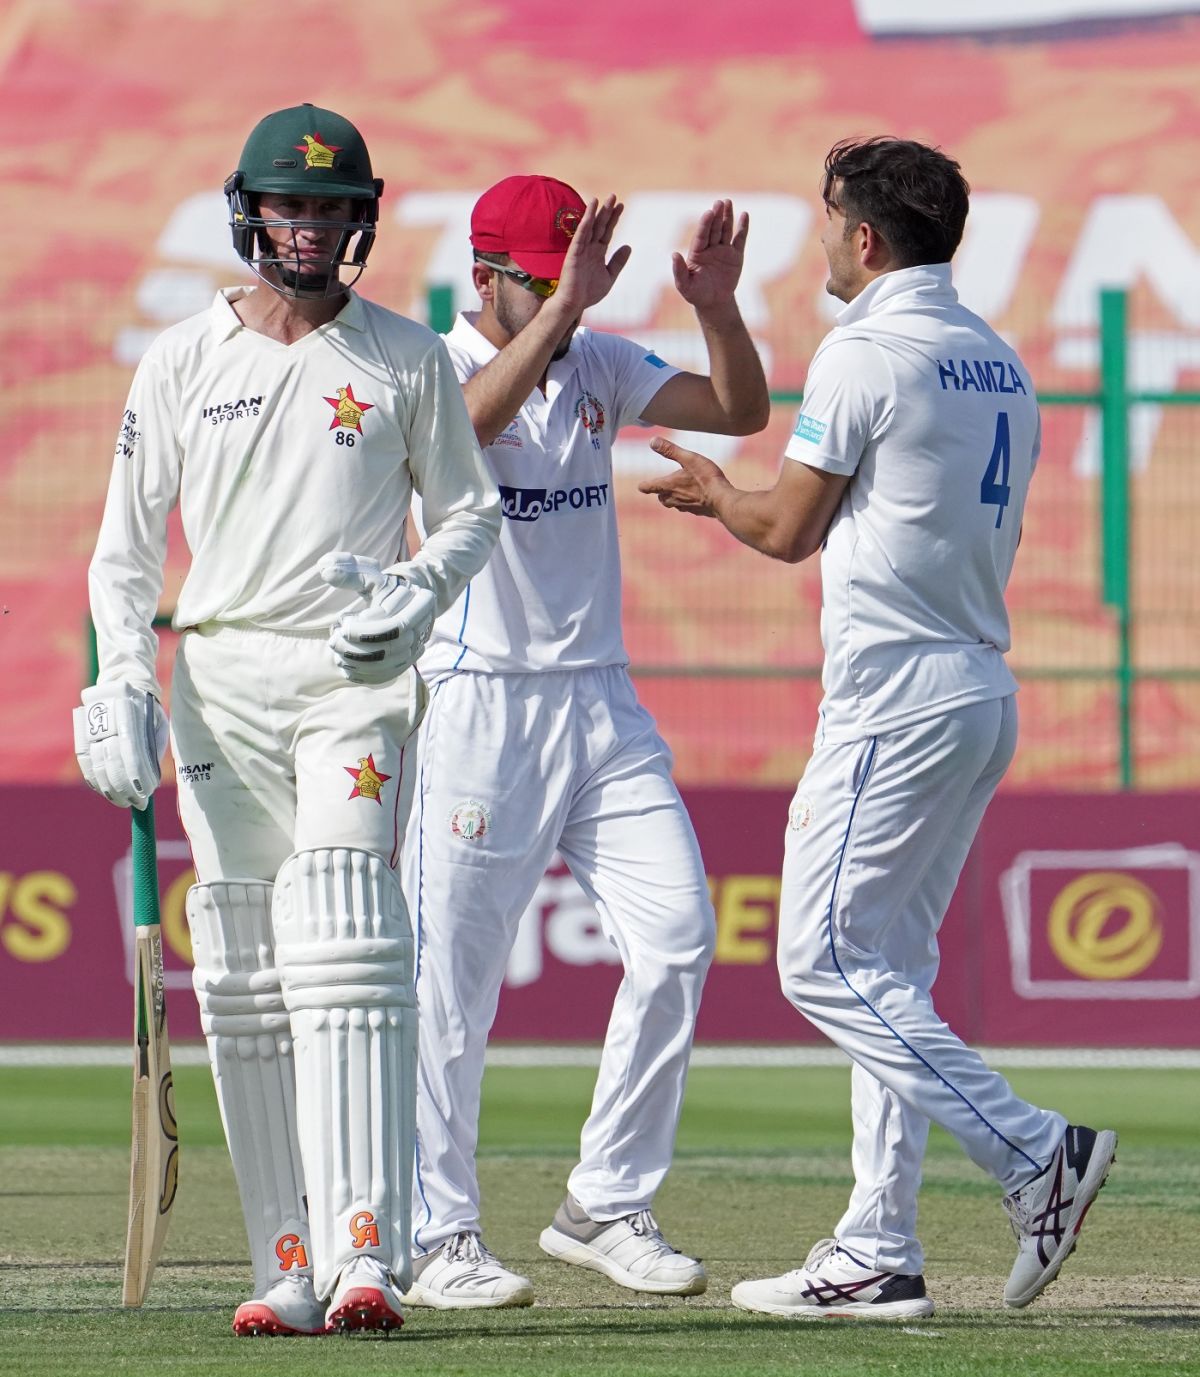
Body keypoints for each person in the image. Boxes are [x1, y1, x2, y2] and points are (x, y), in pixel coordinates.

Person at [640, 136, 1116, 1319]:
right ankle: (874, 1250)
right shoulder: (996, 359)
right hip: (975, 688)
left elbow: (791, 528)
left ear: (864, 239)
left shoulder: (865, 352)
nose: (818, 248)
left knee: (822, 961)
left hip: (894, 699)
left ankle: (1031, 1152)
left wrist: (712, 495)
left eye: (826, 226)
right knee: (888, 968)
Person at [74, 103, 500, 1336]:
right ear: (249, 211)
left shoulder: (407, 358)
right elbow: (122, 553)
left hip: (351, 673)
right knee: (252, 974)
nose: (307, 228)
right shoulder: (181, 358)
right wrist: (119, 681)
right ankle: (290, 1261)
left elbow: (466, 518)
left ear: (359, 219)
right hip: (220, 683)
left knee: (350, 938)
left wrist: (418, 593)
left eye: (328, 208)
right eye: (288, 205)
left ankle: (371, 1248)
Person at [401, 175, 770, 1308]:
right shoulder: (433, 367)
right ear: (488, 279)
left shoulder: (599, 362)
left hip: (601, 702)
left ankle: (605, 1200)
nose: (569, 289)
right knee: (452, 989)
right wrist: (567, 312)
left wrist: (713, 305)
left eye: (579, 268)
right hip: (477, 701)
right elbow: (456, 442)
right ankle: (434, 1235)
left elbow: (742, 412)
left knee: (678, 937)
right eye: (544, 274)